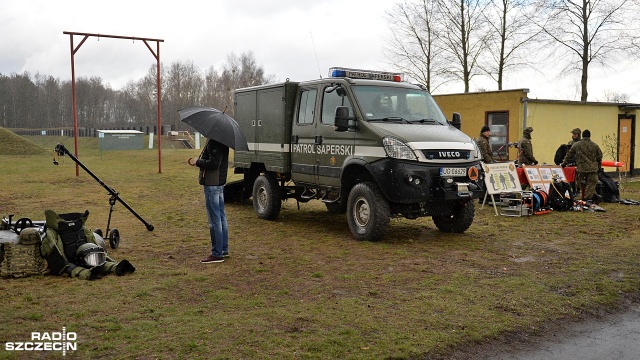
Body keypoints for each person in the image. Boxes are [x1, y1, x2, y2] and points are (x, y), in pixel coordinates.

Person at [40, 210, 135, 280]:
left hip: (87, 255)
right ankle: (88, 274)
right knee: (76, 269)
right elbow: (56, 259)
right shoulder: (52, 233)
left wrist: (110, 261)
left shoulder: (82, 229)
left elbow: (94, 242)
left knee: (98, 259)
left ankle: (115, 268)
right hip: (69, 263)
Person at [188, 139, 230, 263]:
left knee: (214, 219)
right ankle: (223, 249)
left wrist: (198, 162)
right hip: (219, 183)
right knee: (221, 216)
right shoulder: (222, 141)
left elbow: (213, 163)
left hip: (212, 184)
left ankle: (217, 253)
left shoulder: (214, 142)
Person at [562, 129, 603, 203]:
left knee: (582, 184)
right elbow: (599, 156)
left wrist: (563, 164)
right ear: (589, 136)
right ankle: (588, 199)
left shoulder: (576, 145)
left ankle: (586, 198)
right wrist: (599, 167)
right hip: (592, 169)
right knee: (591, 184)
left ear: (582, 135)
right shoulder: (595, 145)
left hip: (581, 169)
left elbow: (569, 155)